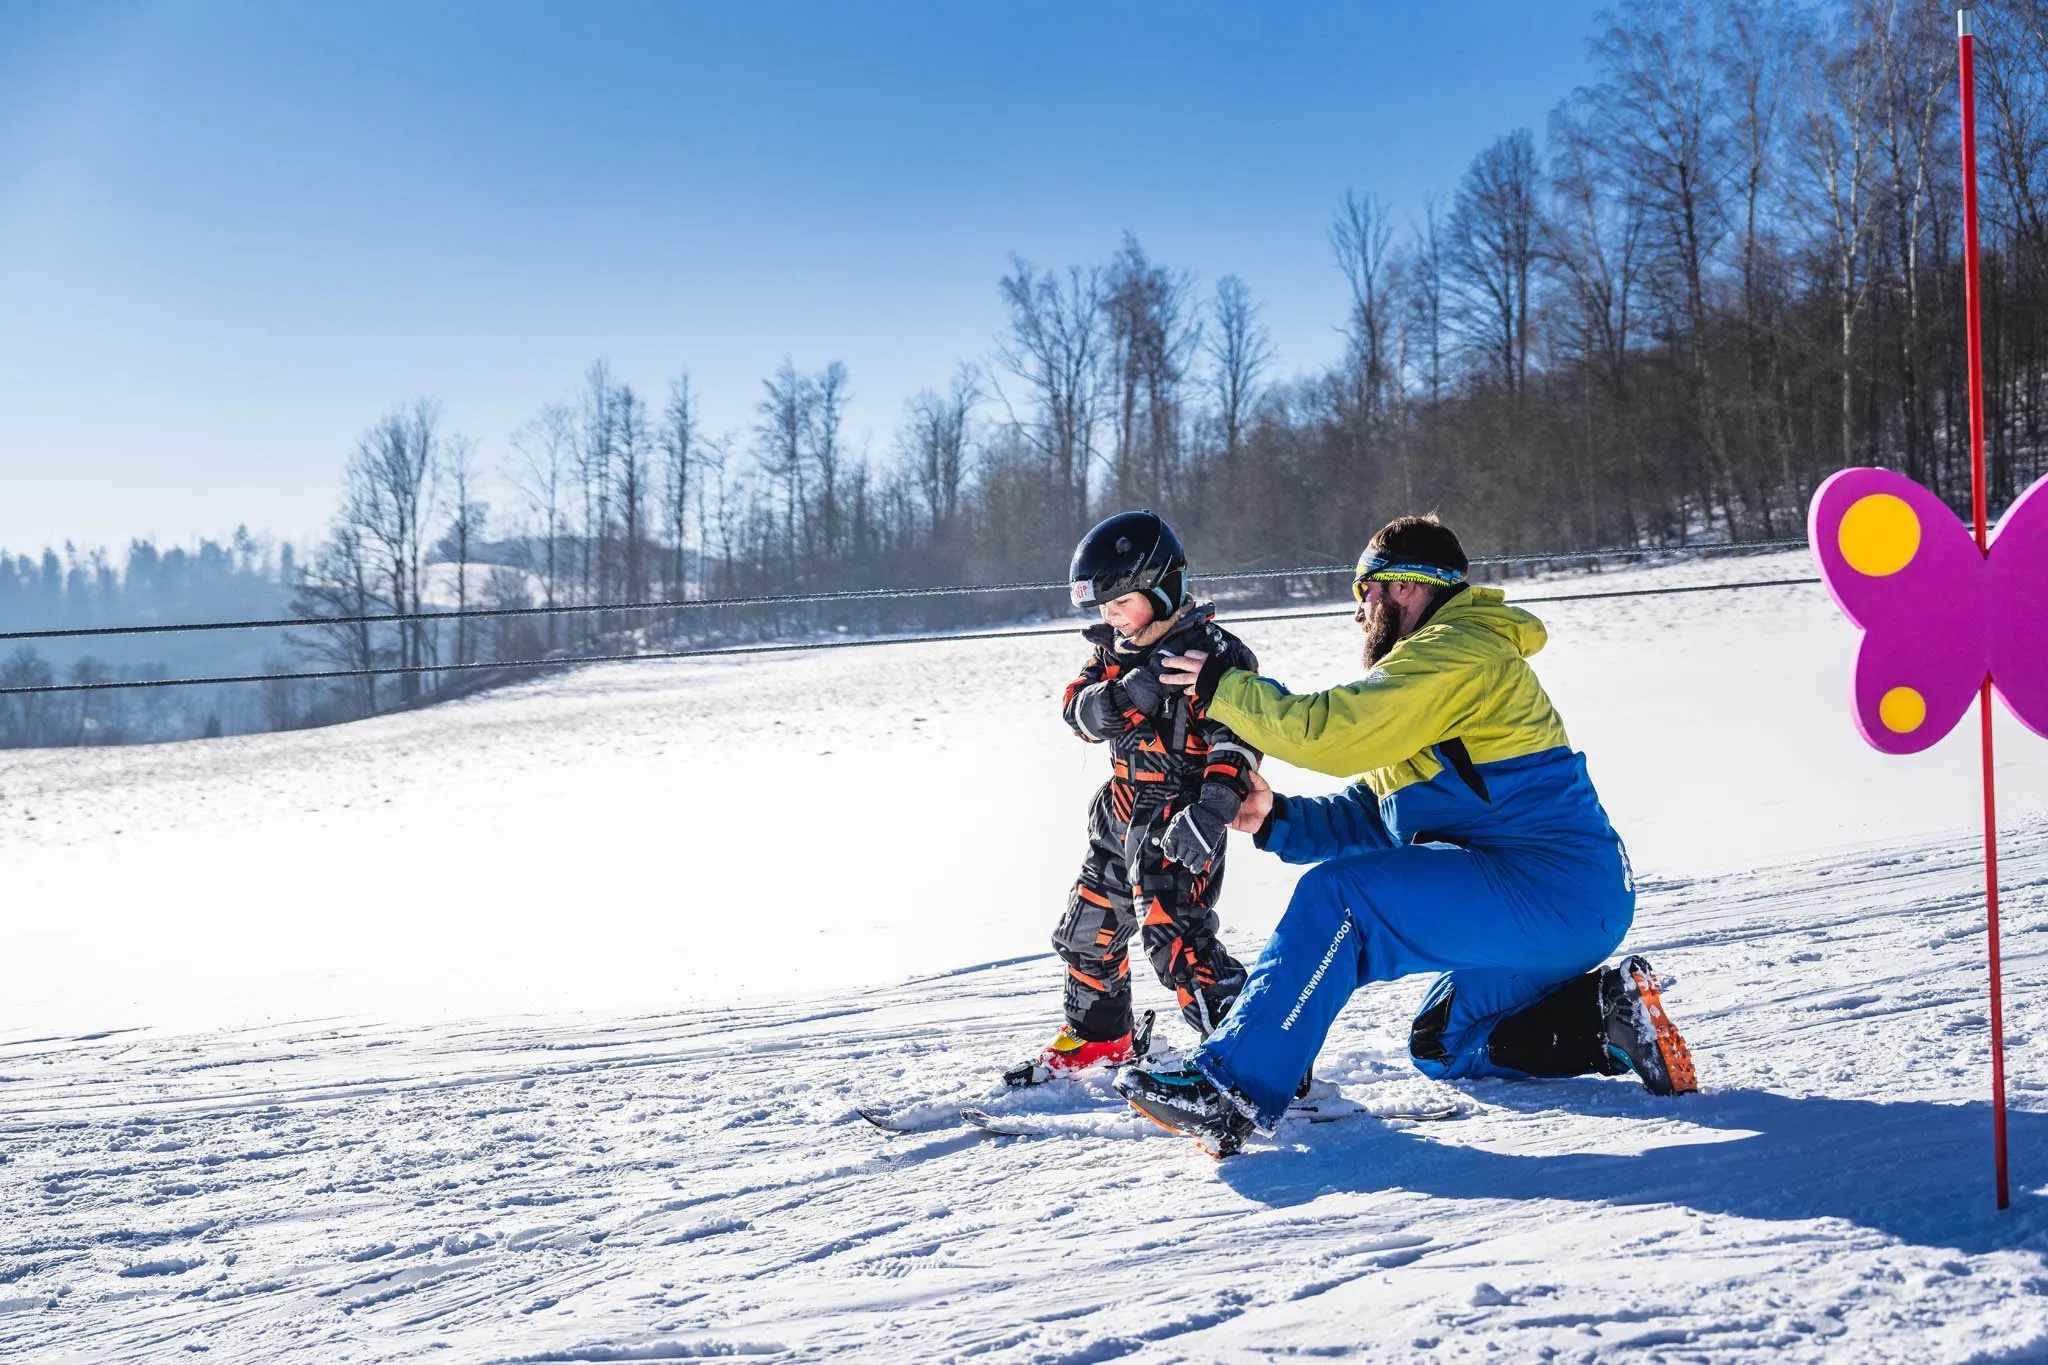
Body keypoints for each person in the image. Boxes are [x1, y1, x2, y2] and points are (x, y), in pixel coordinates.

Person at [1113, 514, 1696, 1154]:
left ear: (1404, 588)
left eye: (1364, 593)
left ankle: (1234, 1090)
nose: (1358, 614)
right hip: (1564, 905)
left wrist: (1222, 687)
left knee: (1342, 900)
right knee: (1444, 1040)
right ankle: (1604, 1017)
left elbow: (1329, 733)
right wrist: (1276, 817)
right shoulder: (1434, 675)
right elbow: (1374, 816)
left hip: (1550, 888)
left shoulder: (1456, 652)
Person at [1008, 511, 1264, 1087]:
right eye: (1103, 607)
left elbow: (1242, 735)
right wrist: (1127, 690)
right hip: (1118, 816)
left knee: (1180, 949)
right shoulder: (1111, 654)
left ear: (1162, 585)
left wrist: (1214, 806)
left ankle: (1262, 1058)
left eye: (1121, 600)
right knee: (1085, 932)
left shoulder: (1213, 652)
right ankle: (1102, 1039)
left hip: (1178, 826)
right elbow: (1079, 712)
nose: (1111, 616)